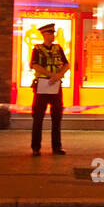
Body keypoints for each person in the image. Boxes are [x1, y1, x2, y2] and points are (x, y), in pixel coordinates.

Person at [30, 23, 69, 155]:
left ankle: (56, 147)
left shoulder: (58, 48)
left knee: (57, 117)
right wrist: (51, 75)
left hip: (56, 86)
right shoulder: (37, 49)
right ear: (44, 35)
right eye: (50, 33)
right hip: (42, 85)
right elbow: (35, 65)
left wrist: (59, 75)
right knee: (38, 118)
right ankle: (36, 148)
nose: (53, 35)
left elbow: (66, 64)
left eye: (53, 33)